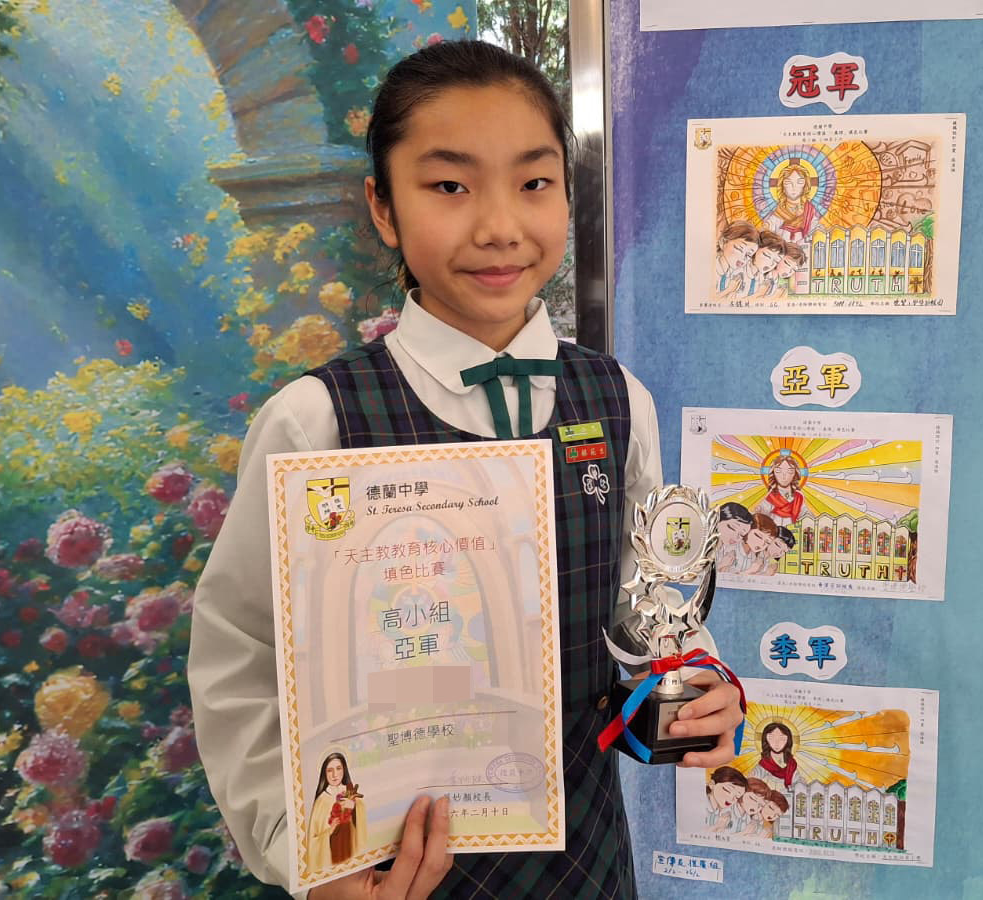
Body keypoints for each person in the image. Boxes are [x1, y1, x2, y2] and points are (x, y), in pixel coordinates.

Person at [189, 40, 745, 900]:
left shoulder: (617, 398)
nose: (499, 226)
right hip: (395, 873)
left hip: (589, 858)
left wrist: (691, 683)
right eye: (450, 186)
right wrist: (303, 853)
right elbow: (242, 656)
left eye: (534, 182)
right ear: (383, 208)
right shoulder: (317, 420)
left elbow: (642, 606)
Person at [307, 751, 367, 869]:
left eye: (338, 768)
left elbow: (362, 825)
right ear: (324, 773)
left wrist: (353, 807)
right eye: (330, 770)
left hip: (350, 846)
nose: (335, 775)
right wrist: (329, 831)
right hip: (332, 852)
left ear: (344, 770)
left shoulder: (350, 792)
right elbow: (313, 841)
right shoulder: (321, 801)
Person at [753, 453, 804, 526]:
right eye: (778, 471)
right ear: (773, 473)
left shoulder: (799, 497)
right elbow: (761, 514)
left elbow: (805, 516)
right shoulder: (771, 496)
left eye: (790, 471)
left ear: (795, 474)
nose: (784, 476)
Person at [756, 722, 797, 789]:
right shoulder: (763, 765)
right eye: (771, 738)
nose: (776, 743)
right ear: (765, 739)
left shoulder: (792, 764)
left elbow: (798, 783)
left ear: (788, 740)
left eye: (782, 738)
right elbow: (751, 782)